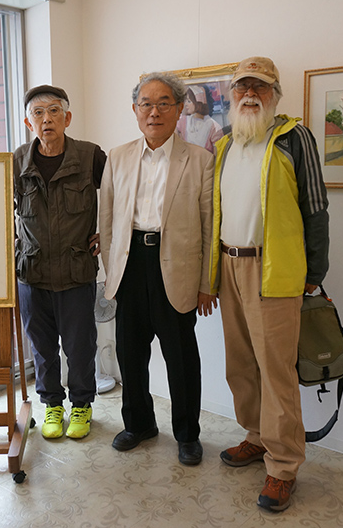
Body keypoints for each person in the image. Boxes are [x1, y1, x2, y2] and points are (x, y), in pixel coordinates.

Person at [208, 57, 330, 512]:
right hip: (229, 266)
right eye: (242, 87)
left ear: (275, 94)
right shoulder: (225, 143)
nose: (249, 94)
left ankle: (282, 467)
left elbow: (315, 208)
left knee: (277, 373)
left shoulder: (295, 138)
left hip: (274, 269)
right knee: (240, 364)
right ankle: (256, 437)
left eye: (259, 86)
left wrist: (314, 273)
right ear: (232, 95)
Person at [99, 72, 216, 466]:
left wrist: (207, 283)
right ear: (135, 110)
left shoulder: (200, 160)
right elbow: (107, 220)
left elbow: (209, 226)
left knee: (181, 358)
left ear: (179, 109)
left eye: (164, 103)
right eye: (146, 104)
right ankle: (139, 424)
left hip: (177, 269)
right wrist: (112, 271)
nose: (154, 112)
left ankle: (187, 434)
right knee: (130, 354)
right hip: (129, 264)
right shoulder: (117, 157)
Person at [13, 85, 106, 440]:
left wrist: (109, 233)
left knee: (80, 347)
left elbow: (122, 194)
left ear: (67, 118)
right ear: (29, 123)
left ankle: (81, 405)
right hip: (32, 273)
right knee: (42, 348)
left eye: (54, 111)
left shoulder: (89, 156)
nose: (46, 119)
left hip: (76, 271)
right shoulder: (17, 162)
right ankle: (52, 405)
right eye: (38, 113)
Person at [176, 85, 224, 153]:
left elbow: (218, 154)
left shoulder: (214, 127)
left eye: (189, 101)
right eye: (185, 101)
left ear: (198, 103)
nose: (186, 104)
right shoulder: (183, 121)